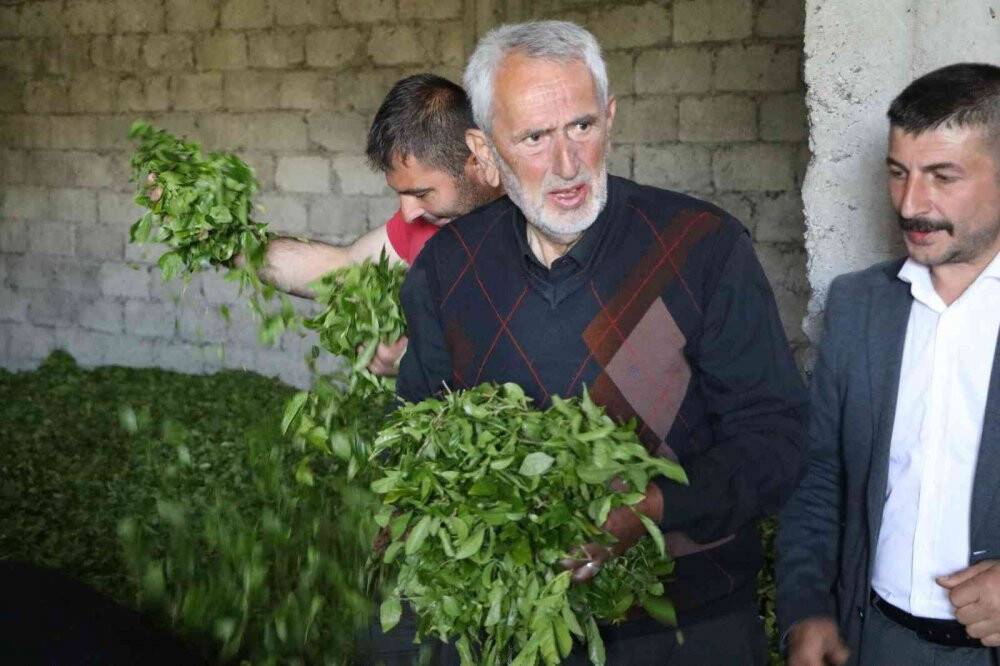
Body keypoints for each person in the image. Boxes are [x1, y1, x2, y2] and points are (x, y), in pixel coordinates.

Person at [396, 20, 808, 664]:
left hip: (690, 625)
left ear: (610, 118)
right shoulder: (447, 270)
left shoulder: (703, 247)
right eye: (533, 137)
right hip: (516, 622)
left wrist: (652, 505)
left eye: (581, 127)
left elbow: (776, 439)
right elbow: (420, 433)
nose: (566, 165)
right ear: (483, 150)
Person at [776, 63, 1000, 666]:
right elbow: (819, 473)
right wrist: (806, 607)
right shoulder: (858, 305)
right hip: (872, 641)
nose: (910, 203)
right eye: (898, 173)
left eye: (941, 176)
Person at [146, 74, 501, 374]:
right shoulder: (427, 225)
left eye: (422, 192)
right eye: (401, 193)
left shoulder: (535, 224)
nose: (407, 212)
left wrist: (425, 360)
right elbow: (339, 270)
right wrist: (222, 240)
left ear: (476, 157)